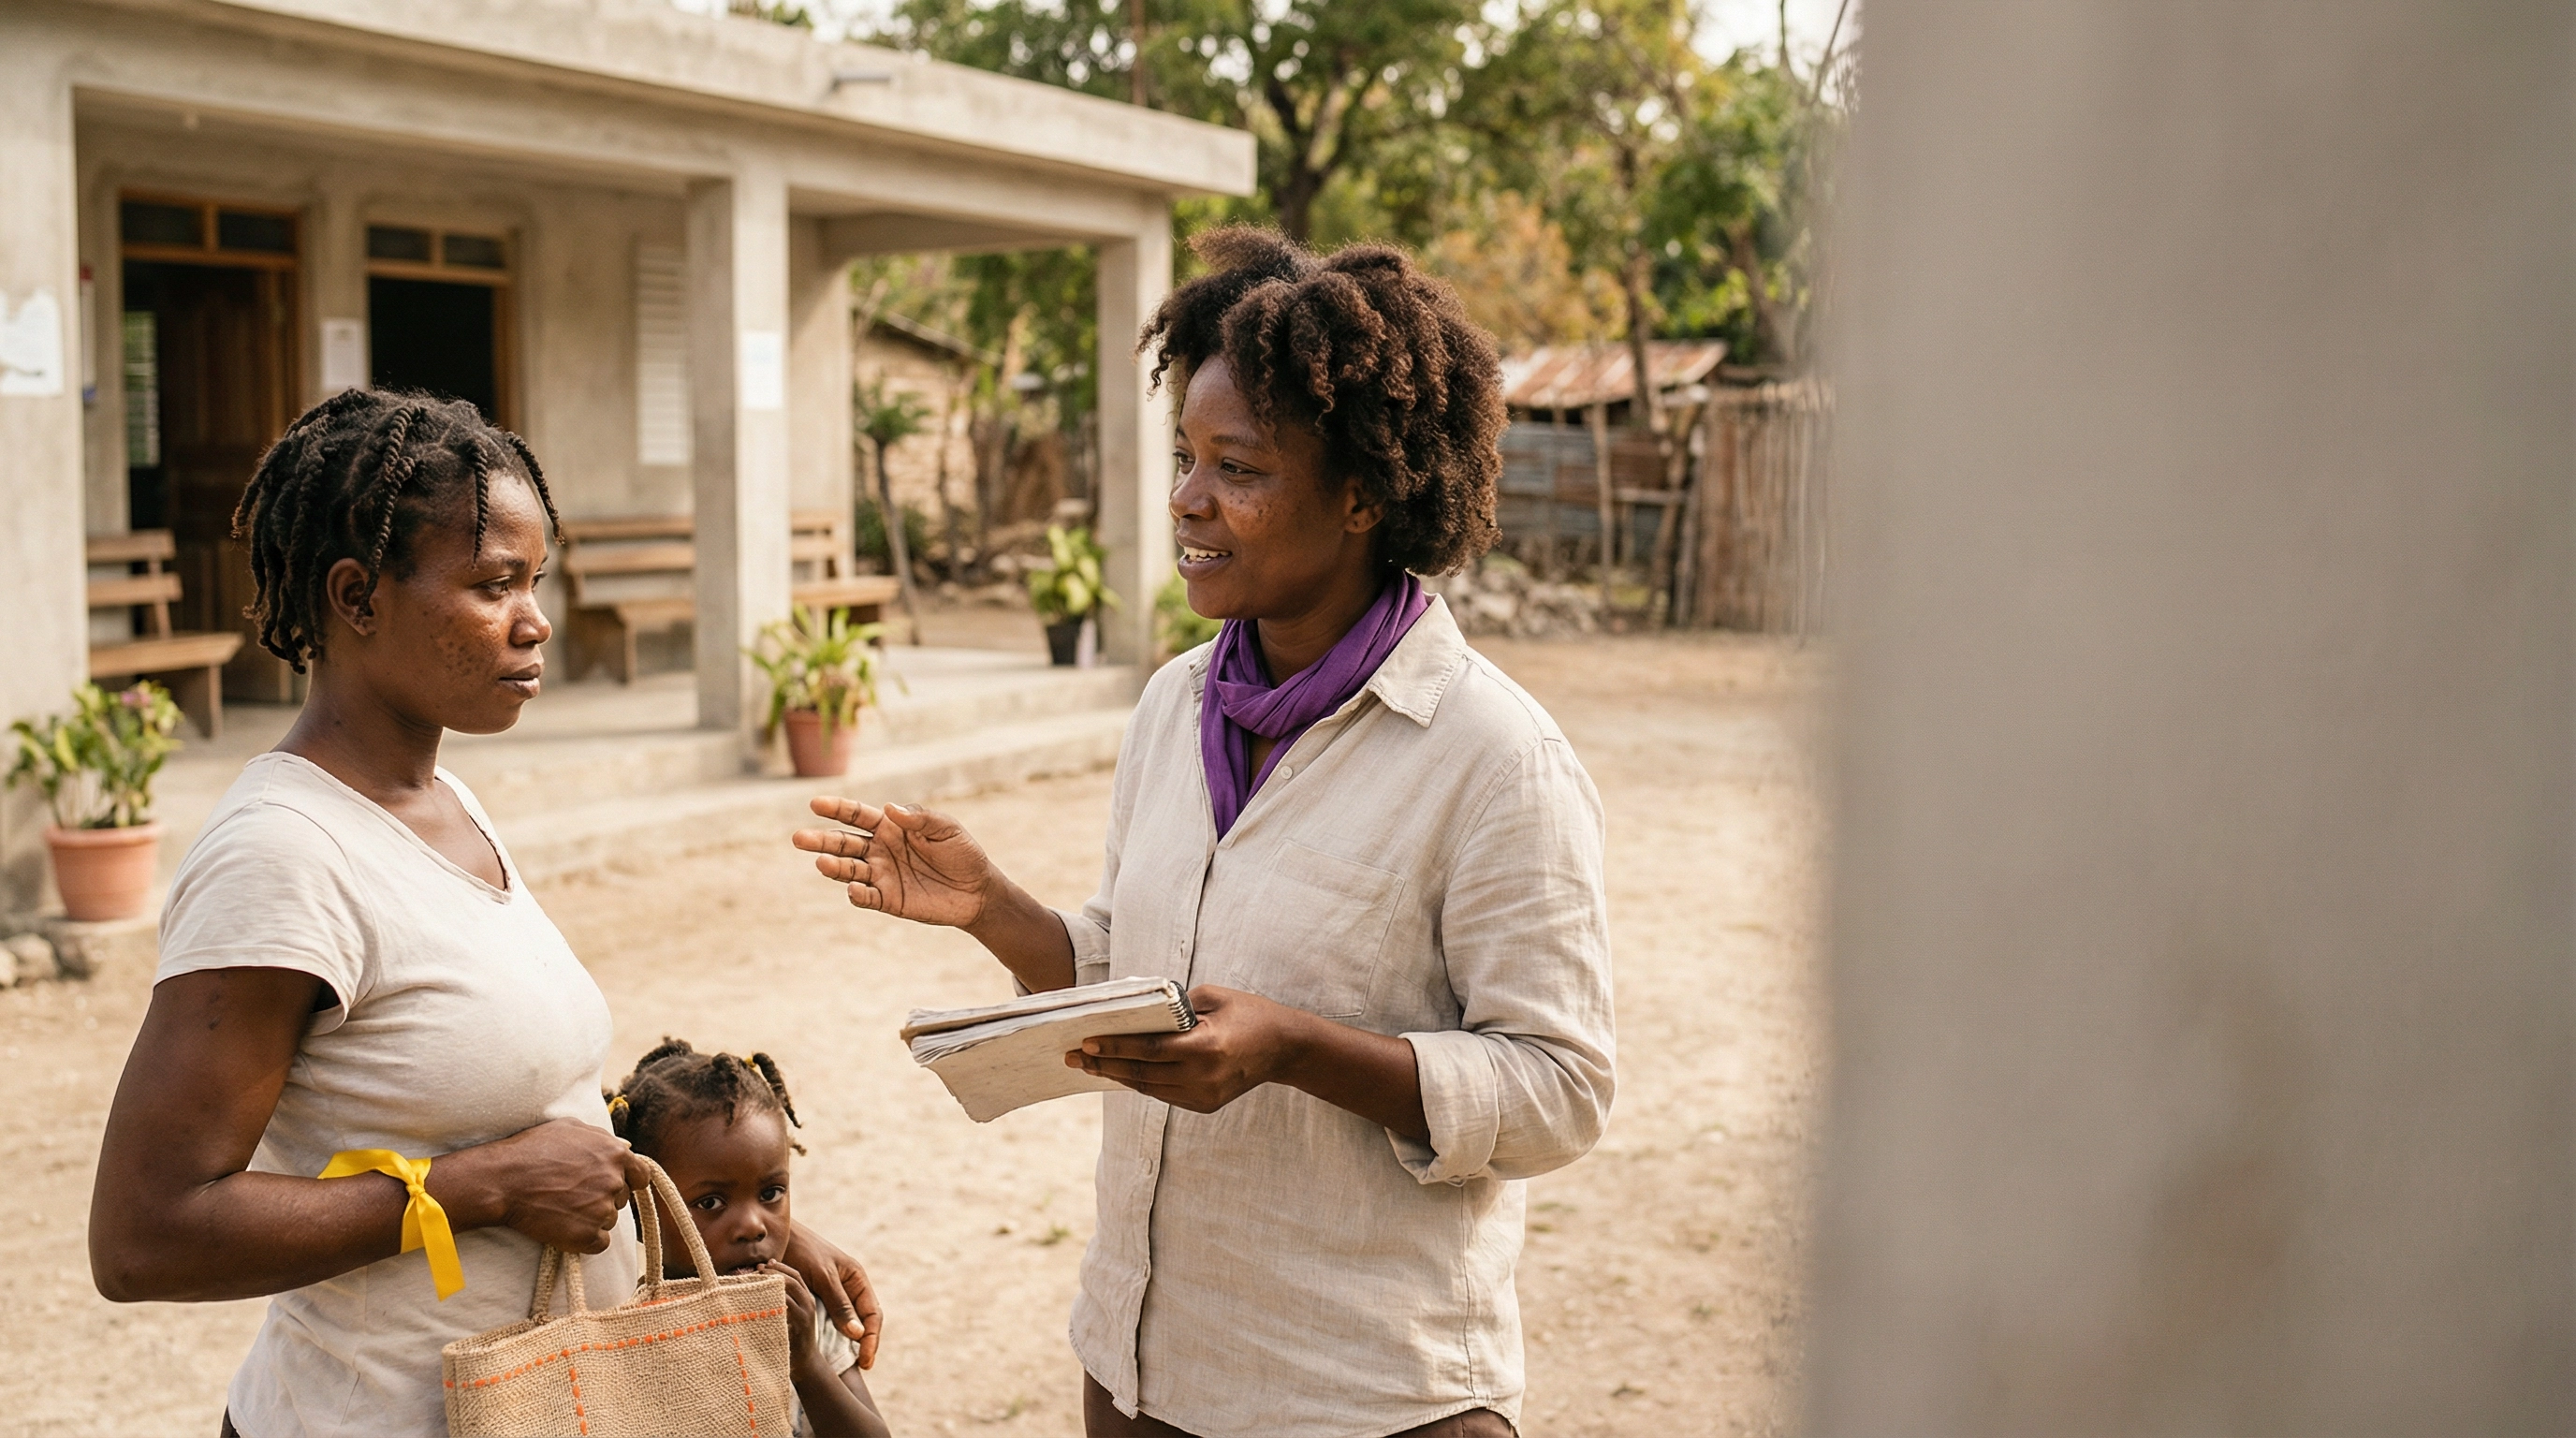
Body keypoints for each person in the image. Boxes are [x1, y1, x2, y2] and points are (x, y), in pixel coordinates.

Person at [795, 228, 1616, 1438]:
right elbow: (1138, 975)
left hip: (1362, 1399)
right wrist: (993, 908)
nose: (1187, 498)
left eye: (1237, 465)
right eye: (1186, 455)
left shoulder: (1493, 759)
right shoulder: (1176, 705)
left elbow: (1562, 1088)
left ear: (1360, 495)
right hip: (1142, 1373)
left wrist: (1294, 1048)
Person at [87, 389, 880, 1438]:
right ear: (356, 596)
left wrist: (733, 1226)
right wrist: (477, 1190)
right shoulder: (283, 855)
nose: (535, 618)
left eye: (535, 580)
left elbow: (511, 1101)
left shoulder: (445, 803)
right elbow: (146, 1236)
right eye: (493, 583)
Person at [606, 1039, 890, 1438]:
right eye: (710, 1202)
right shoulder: (633, 1332)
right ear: (641, 1212)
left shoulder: (801, 1310)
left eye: (771, 1193)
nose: (753, 1225)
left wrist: (807, 1364)